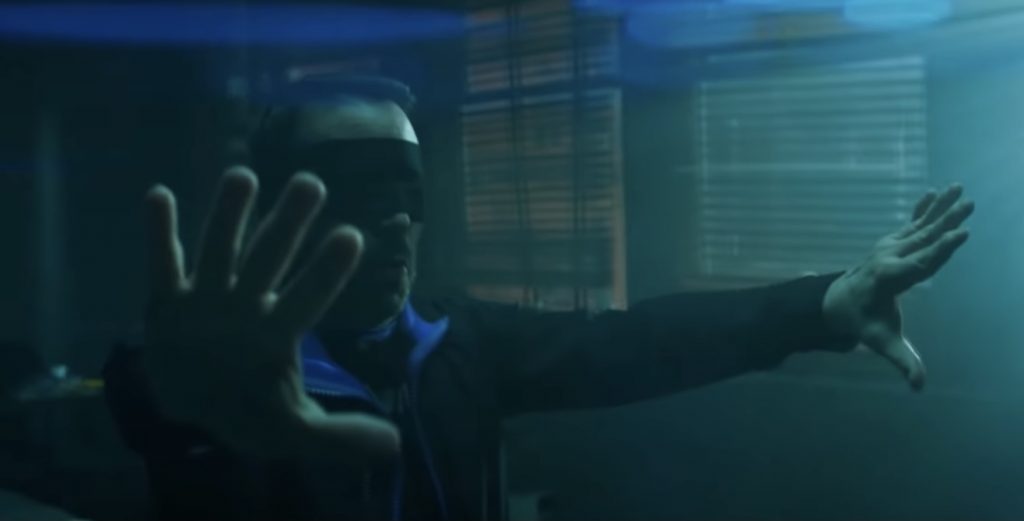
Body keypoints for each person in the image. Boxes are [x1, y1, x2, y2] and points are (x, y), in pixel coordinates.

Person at [103, 75, 974, 521]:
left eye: (408, 189)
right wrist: (180, 401)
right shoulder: (219, 374)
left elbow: (638, 341)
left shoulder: (456, 338)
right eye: (358, 188)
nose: (397, 219)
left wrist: (822, 304)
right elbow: (151, 392)